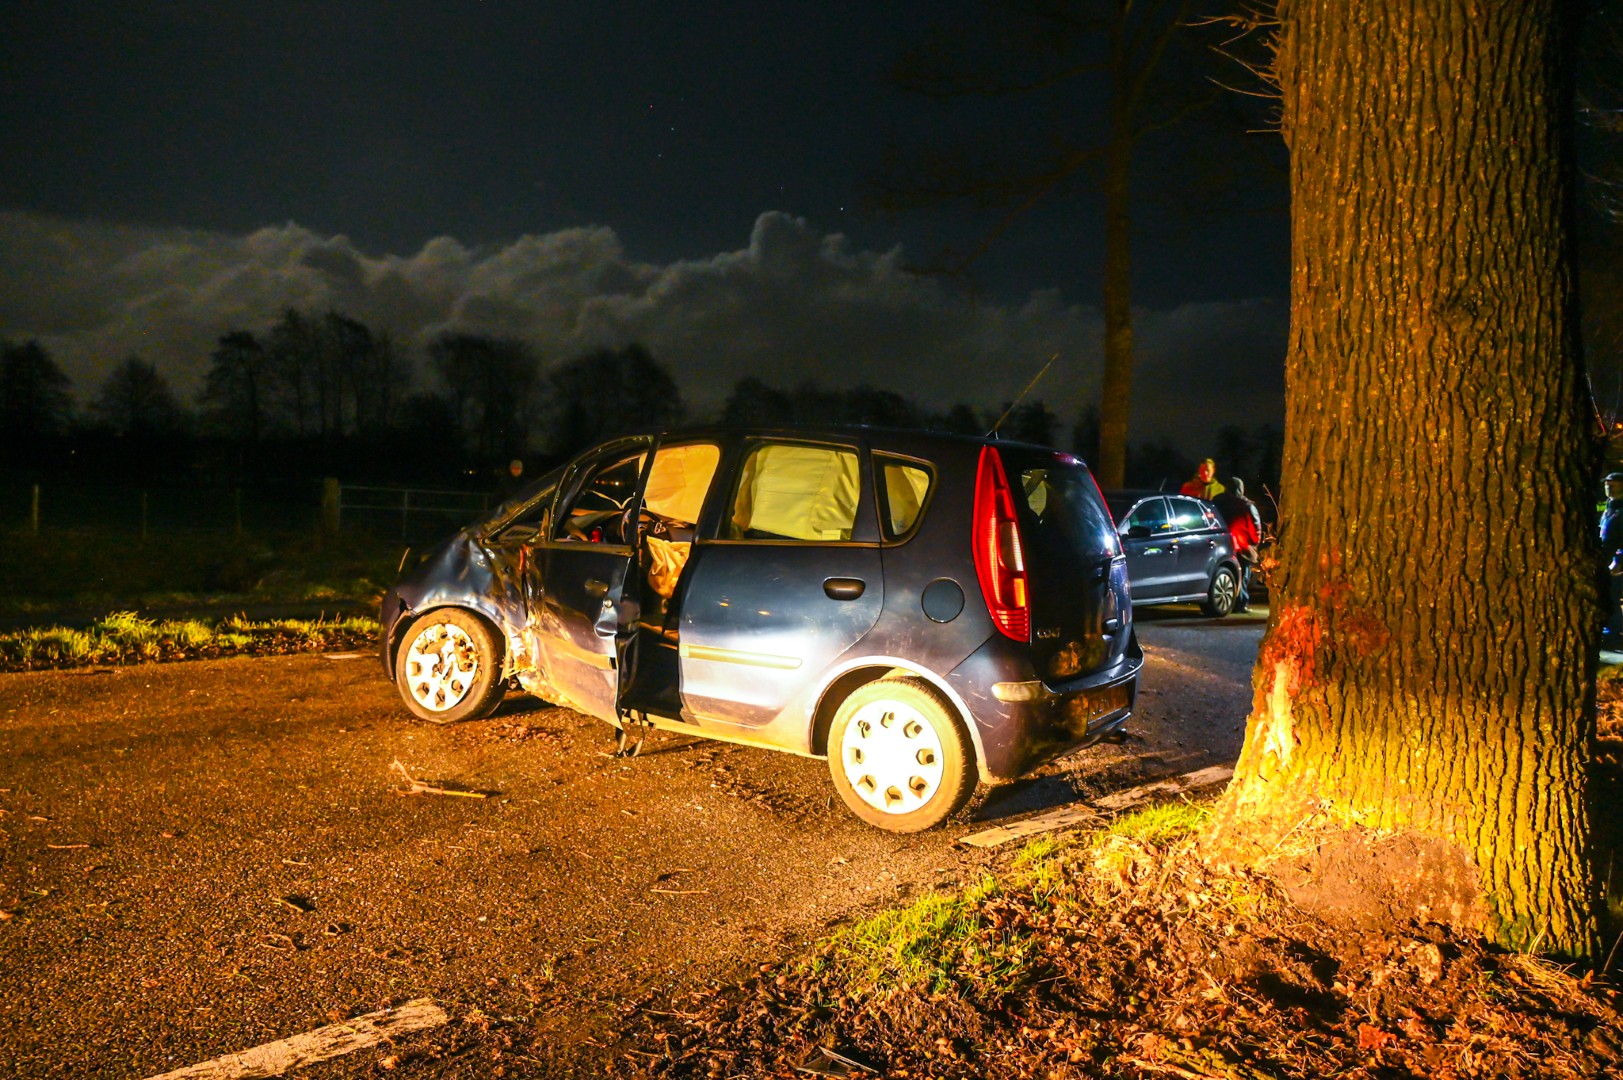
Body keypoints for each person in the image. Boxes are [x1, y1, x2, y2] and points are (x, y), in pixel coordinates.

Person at [1212, 478, 1264, 613]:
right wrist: (1254, 544)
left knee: (1222, 574)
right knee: (1243, 576)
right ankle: (1239, 604)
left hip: (1220, 544)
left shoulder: (1216, 502)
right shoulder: (1246, 506)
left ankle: (1225, 602)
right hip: (1242, 547)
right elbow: (1255, 528)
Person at [1601, 472, 1623, 643]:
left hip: (1617, 561)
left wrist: (1618, 560)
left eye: (1613, 484)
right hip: (1605, 557)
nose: (1609, 487)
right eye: (1607, 484)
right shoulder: (1608, 506)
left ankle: (1613, 632)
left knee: (1611, 594)